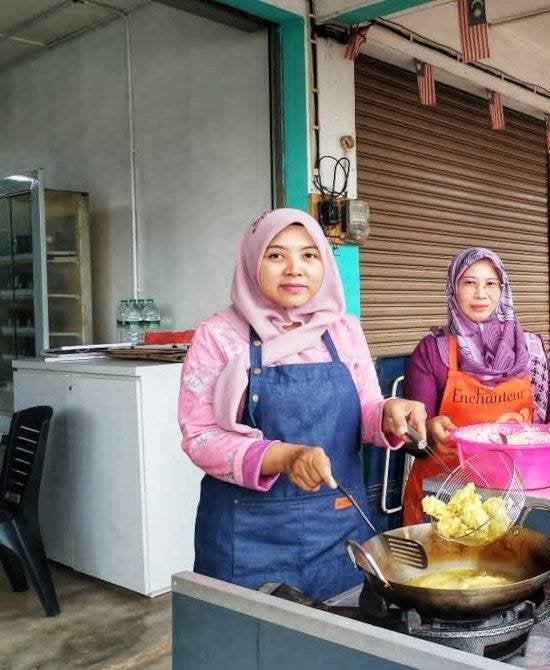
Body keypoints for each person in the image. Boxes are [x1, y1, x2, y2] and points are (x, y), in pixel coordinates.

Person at [178, 208, 426, 600]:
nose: (294, 269)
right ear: (251, 260)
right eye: (276, 255)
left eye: (309, 255)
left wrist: (390, 414)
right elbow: (200, 436)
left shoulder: (343, 329)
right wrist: (284, 456)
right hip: (246, 535)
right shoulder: (219, 335)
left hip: (339, 524)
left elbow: (366, 410)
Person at [401, 247, 550, 525]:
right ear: (453, 289)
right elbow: (412, 440)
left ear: (502, 289)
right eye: (469, 282)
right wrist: (428, 433)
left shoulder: (530, 349)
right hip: (448, 497)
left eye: (490, 283)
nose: (481, 294)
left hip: (518, 495)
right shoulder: (432, 351)